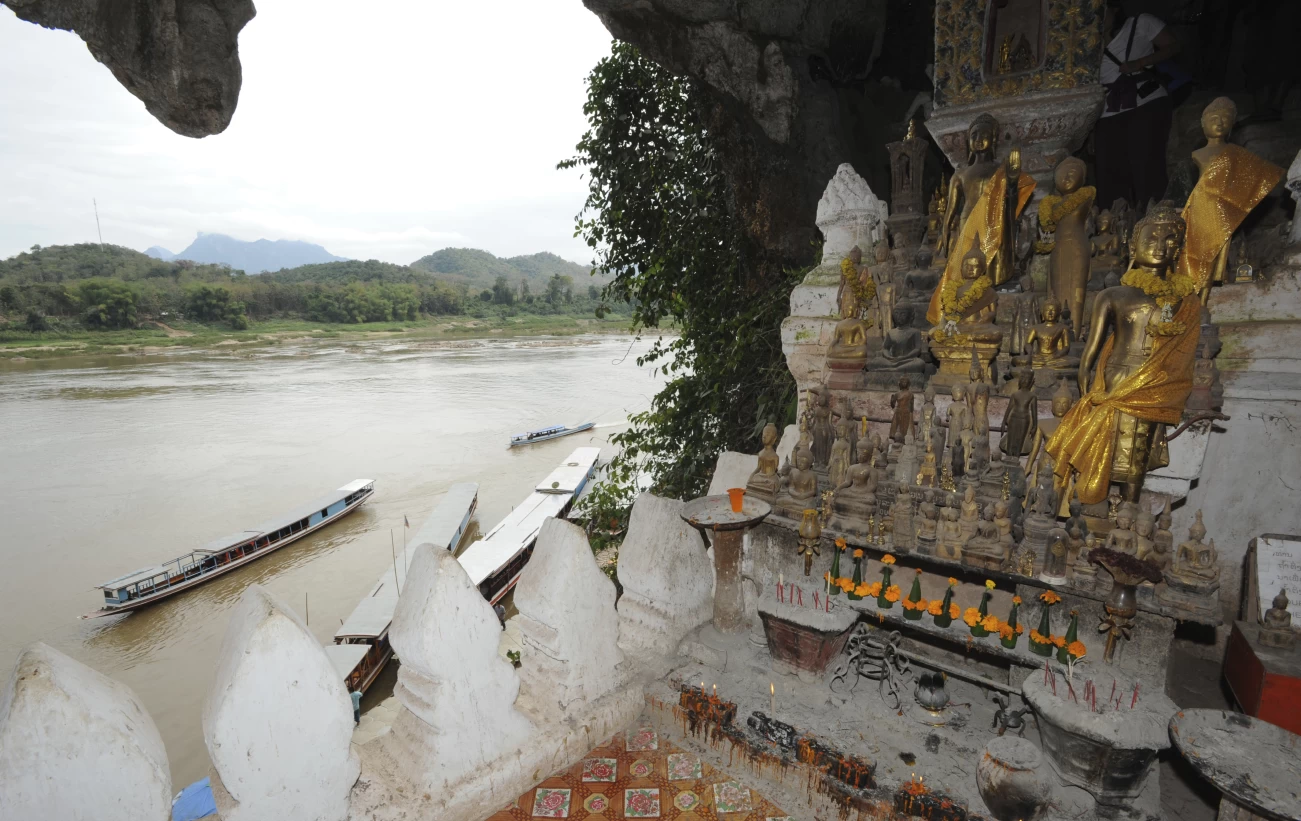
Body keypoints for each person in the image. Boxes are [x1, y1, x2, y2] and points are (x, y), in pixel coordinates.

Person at [1094, 0, 1180, 210]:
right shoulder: (1087, 45)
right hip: (1108, 110)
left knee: (1146, 166)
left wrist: (1140, 63)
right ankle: (1114, 232)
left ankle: (1157, 228)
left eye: (1101, 11)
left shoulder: (1140, 23)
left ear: (1114, 10)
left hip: (1144, 103)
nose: (1097, 18)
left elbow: (1174, 46)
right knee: (1109, 175)